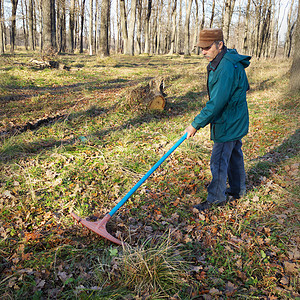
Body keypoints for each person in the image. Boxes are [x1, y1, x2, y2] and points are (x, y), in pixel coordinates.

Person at [184, 28, 251, 212]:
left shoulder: (226, 67)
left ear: (219, 45)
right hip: (235, 119)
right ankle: (238, 190)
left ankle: (216, 198)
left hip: (228, 122)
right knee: (234, 154)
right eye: (201, 48)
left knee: (219, 160)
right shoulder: (226, 59)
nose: (203, 52)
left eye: (207, 48)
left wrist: (195, 124)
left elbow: (216, 103)